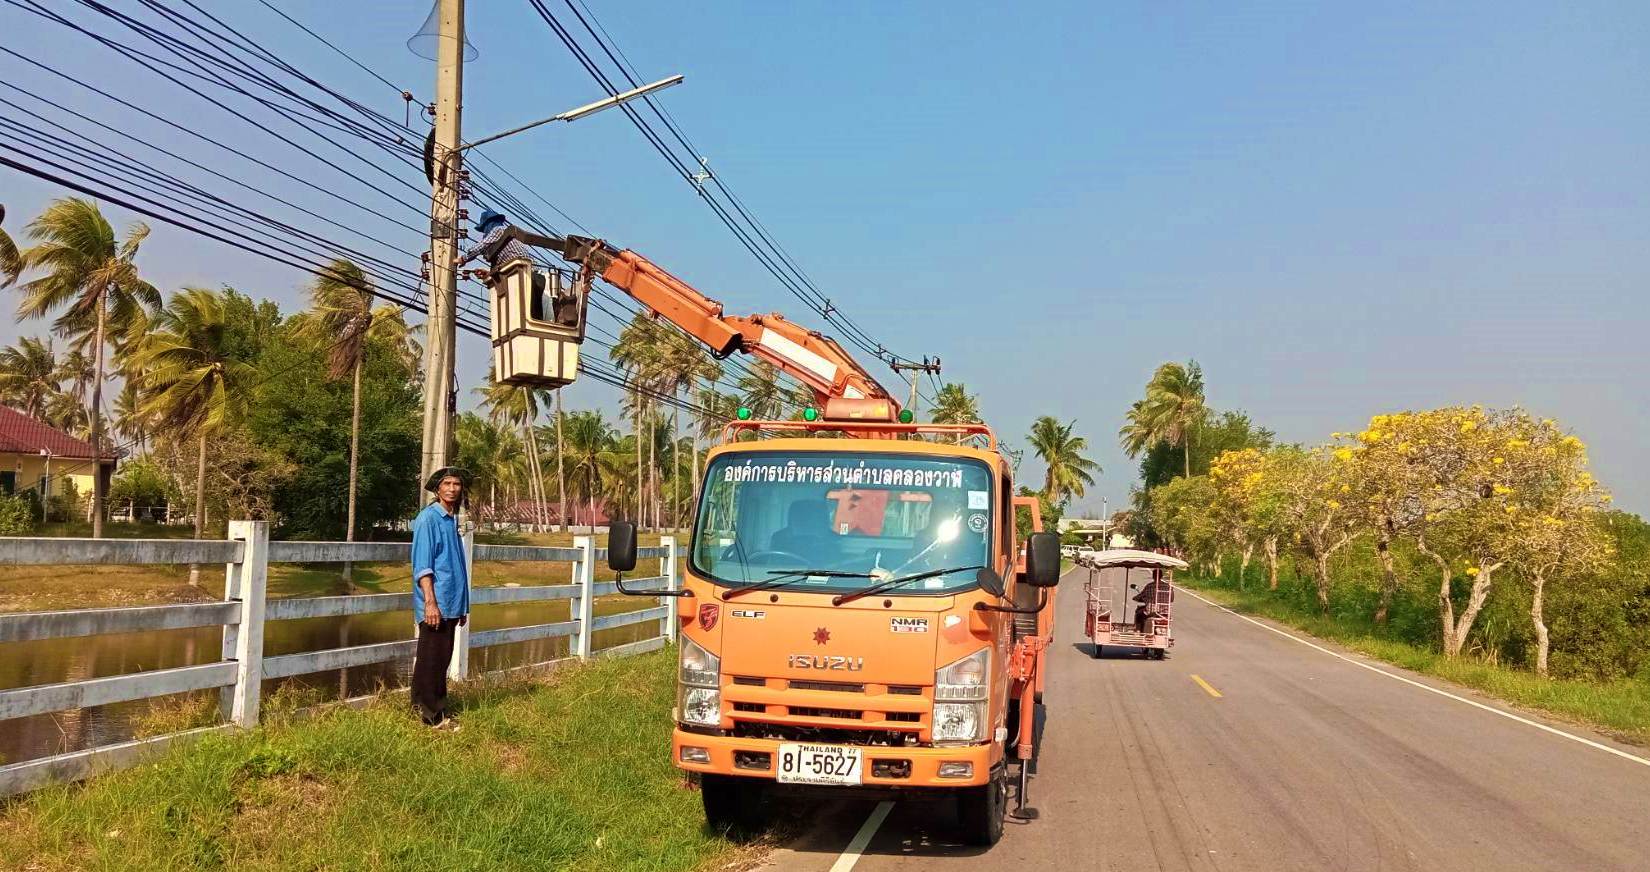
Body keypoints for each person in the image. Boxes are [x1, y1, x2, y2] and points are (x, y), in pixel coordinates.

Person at [410, 466, 472, 729]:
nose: (452, 488)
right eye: (446, 483)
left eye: (456, 484)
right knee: (433, 659)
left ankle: (420, 706)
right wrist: (430, 603)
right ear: (438, 489)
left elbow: (455, 565)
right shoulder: (429, 519)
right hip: (436, 603)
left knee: (437, 658)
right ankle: (433, 716)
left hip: (451, 603)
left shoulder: (451, 519)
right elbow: (423, 566)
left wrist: (462, 606)